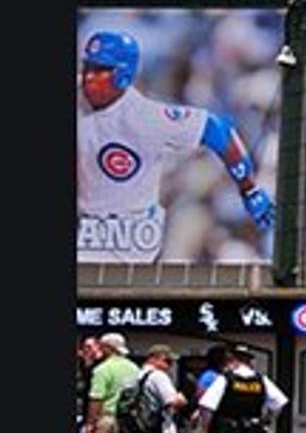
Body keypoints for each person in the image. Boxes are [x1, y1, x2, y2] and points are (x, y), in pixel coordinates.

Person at [76, 30, 275, 263]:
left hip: (123, 238)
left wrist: (249, 189)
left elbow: (217, 129)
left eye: (99, 70)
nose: (89, 76)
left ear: (123, 75)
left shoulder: (143, 117)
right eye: (87, 67)